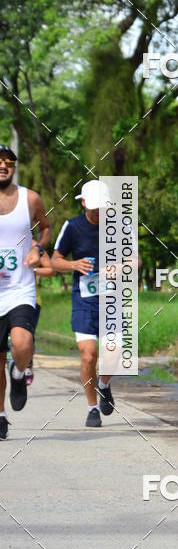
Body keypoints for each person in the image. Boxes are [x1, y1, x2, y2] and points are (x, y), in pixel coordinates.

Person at [51, 180, 115, 428]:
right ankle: (92, 408)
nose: (98, 212)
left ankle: (104, 385)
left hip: (113, 300)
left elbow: (136, 260)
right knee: (89, 356)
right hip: (84, 300)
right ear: (83, 203)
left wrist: (121, 267)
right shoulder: (72, 227)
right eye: (93, 207)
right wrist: (74, 265)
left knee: (115, 354)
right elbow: (55, 260)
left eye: (102, 207)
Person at [0, 145, 52, 439]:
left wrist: (37, 248)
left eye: (8, 161)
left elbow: (45, 228)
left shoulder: (30, 198)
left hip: (20, 288)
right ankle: (1, 415)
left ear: (15, 167)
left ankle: (19, 372)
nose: (3, 165)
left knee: (23, 343)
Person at [23, 250, 56, 385]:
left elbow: (51, 270)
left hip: (30, 300)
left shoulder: (35, 246)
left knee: (27, 337)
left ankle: (27, 362)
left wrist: (32, 270)